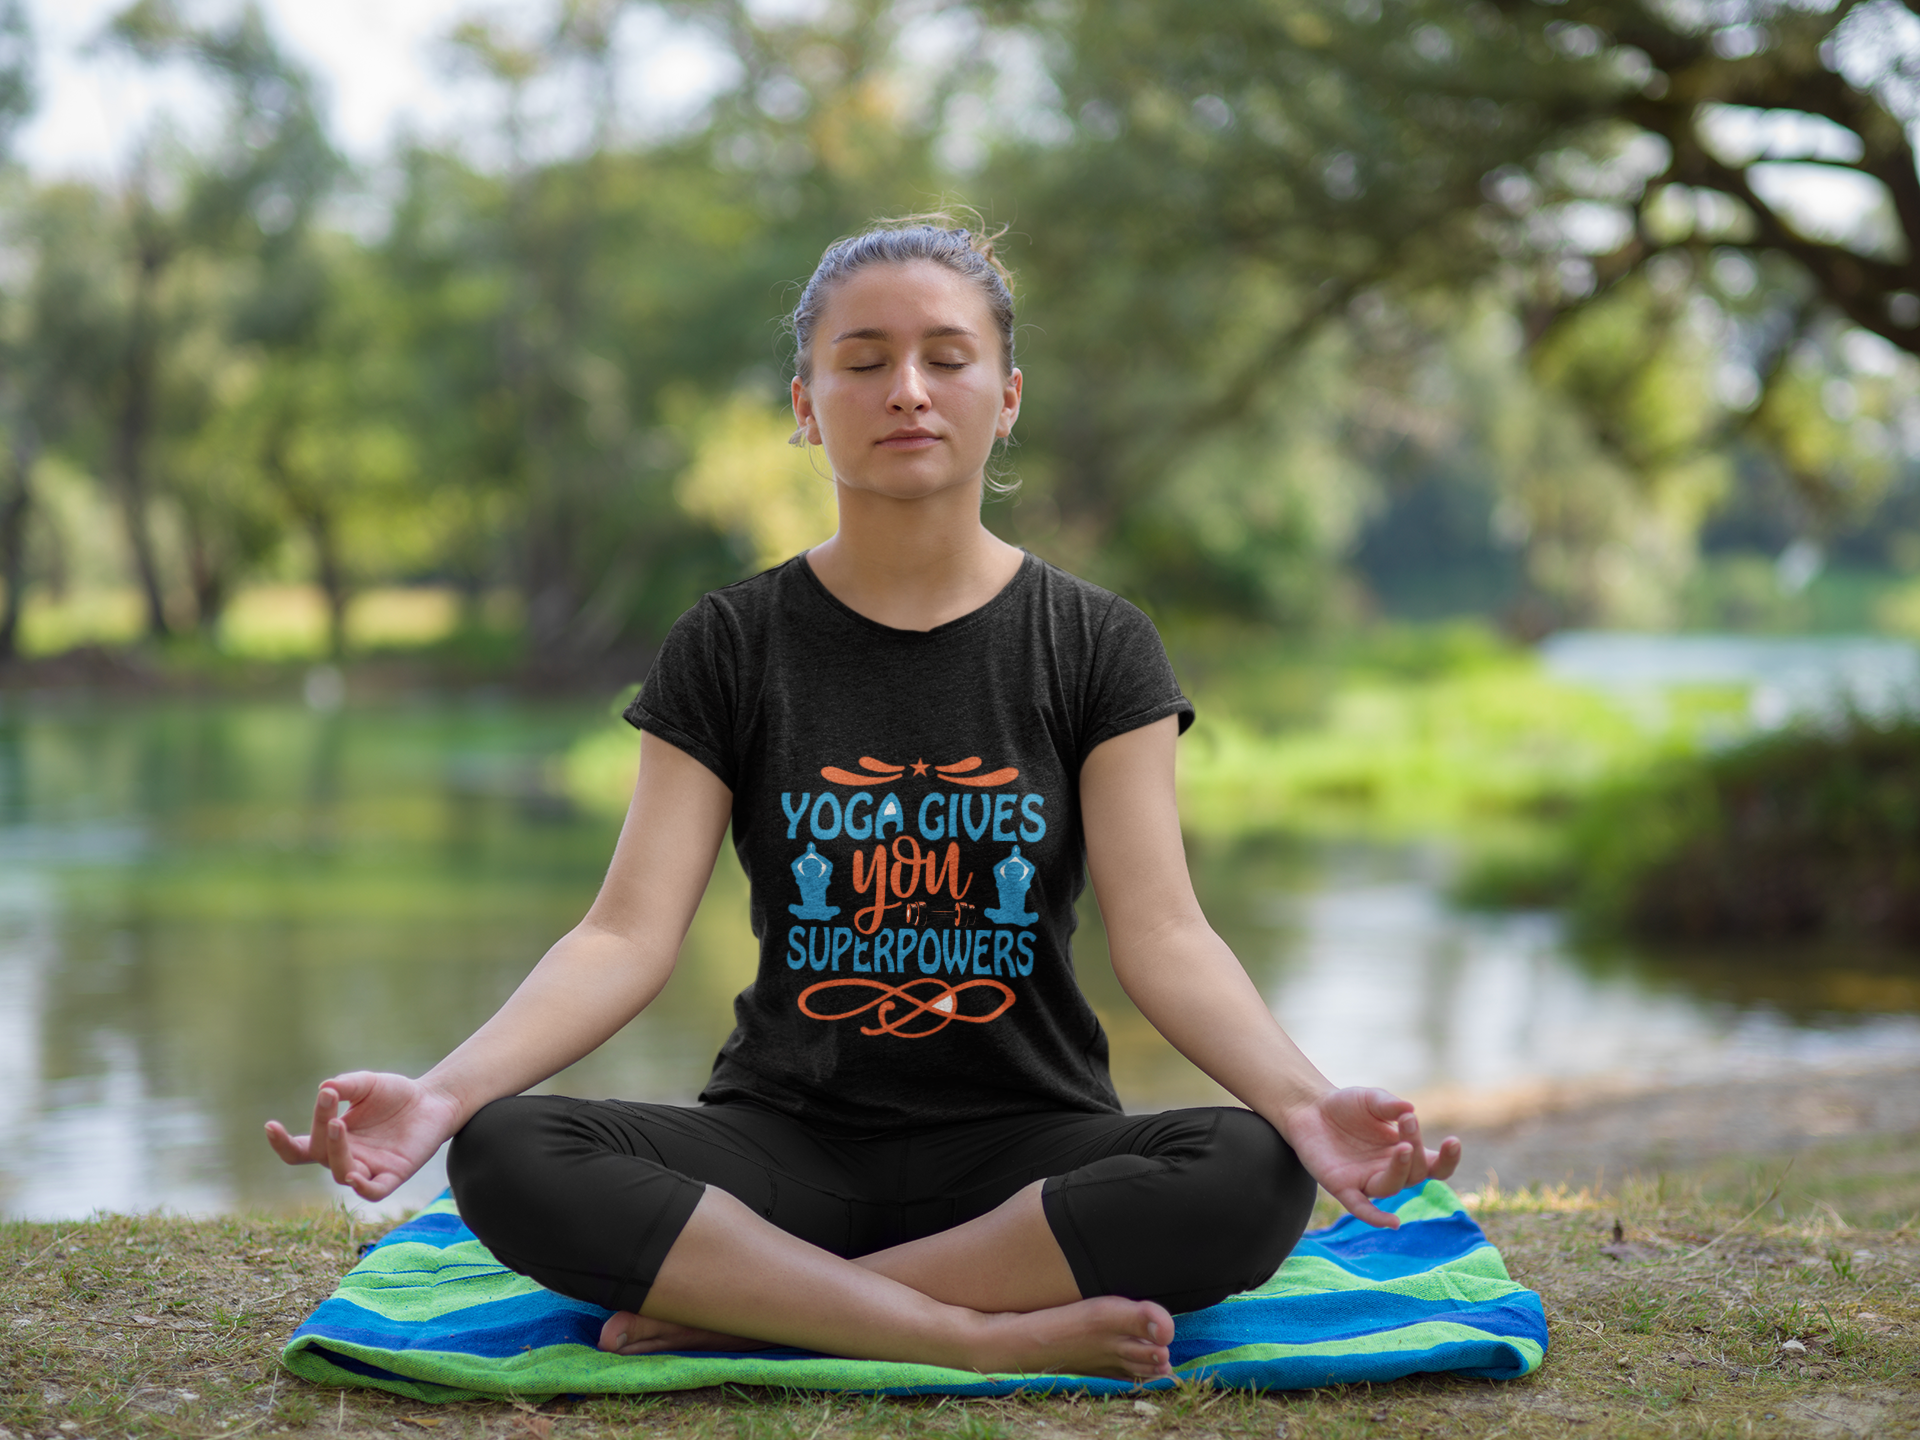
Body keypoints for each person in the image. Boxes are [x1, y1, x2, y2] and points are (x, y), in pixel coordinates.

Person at [266, 215, 1460, 1383]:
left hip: (1028, 1147)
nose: (908, 392)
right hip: (784, 1144)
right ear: (806, 403)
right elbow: (624, 935)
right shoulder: (730, 643)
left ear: (1007, 396)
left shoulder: (1097, 643)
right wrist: (443, 1092)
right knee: (509, 1150)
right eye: (865, 361)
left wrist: (1306, 1104)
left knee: (1250, 1169)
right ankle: (967, 1331)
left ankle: (751, 1308)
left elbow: (1166, 934)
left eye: (948, 358)